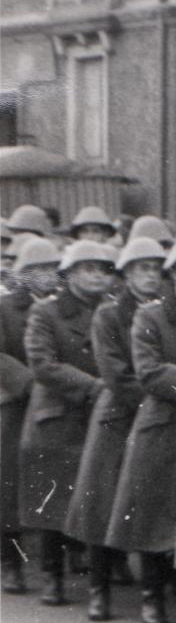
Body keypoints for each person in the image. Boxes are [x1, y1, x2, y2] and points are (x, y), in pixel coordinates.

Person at [107, 234, 176, 623]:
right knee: (156, 512)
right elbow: (149, 372)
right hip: (164, 421)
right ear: (175, 273)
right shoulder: (151, 316)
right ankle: (152, 595)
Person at [64, 237, 166, 621]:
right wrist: (152, 398)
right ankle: (99, 589)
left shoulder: (166, 313)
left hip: (157, 417)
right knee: (100, 504)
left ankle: (153, 595)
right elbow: (114, 371)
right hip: (118, 415)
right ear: (125, 275)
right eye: (142, 269)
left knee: (153, 504)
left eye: (156, 269)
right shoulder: (108, 315)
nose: (151, 277)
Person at [19, 240, 115, 606]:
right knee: (51, 502)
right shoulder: (46, 311)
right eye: (88, 269)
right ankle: (51, 576)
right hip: (59, 414)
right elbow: (42, 363)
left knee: (97, 498)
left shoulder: (111, 310)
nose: (96, 276)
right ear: (70, 274)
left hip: (102, 411)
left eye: (103, 270)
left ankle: (97, 586)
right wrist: (93, 387)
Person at [1, 236, 62, 593]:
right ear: (21, 274)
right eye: (37, 269)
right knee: (9, 483)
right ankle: (11, 561)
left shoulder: (60, 307)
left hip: (55, 400)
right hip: (16, 400)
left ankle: (64, 556)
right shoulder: (5, 308)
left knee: (54, 479)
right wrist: (27, 383)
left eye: (53, 268)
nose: (46, 276)